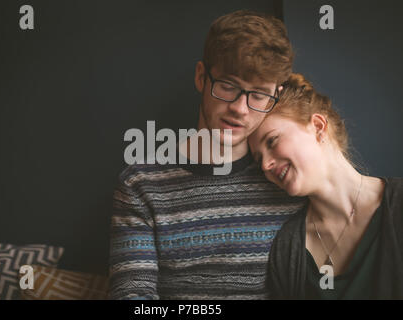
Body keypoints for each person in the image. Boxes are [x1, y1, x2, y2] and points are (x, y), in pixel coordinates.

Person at [108, 10, 305, 300]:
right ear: (202, 77)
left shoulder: (288, 180)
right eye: (228, 85)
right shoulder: (140, 184)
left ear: (276, 94)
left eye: (259, 94)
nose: (240, 108)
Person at [248, 73, 403, 299]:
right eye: (257, 159)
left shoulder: (397, 205)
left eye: (272, 141)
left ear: (319, 127)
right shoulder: (287, 247)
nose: (264, 165)